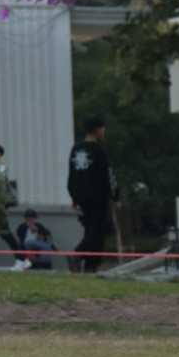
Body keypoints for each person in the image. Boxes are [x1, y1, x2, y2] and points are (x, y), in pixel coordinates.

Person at [68, 116, 119, 273]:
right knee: (97, 231)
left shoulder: (76, 149)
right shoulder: (98, 150)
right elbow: (107, 175)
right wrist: (116, 195)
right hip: (98, 196)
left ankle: (84, 260)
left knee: (89, 229)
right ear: (97, 129)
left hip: (82, 197)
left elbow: (72, 174)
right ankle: (85, 259)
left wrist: (74, 196)